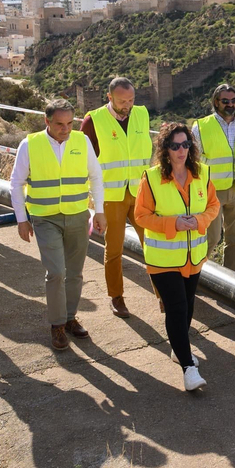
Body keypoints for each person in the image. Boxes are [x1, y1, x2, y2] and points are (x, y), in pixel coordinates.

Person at [13, 99, 106, 350]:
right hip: (45, 218)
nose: (65, 129)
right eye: (59, 124)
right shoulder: (29, 144)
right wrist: (22, 219)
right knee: (56, 272)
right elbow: (16, 183)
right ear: (47, 121)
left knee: (75, 273)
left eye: (69, 124)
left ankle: (69, 317)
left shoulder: (81, 141)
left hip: (77, 215)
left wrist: (99, 211)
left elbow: (96, 177)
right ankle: (57, 326)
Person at [135, 122, 220, 391]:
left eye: (186, 144)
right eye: (175, 146)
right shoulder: (150, 178)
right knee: (177, 308)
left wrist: (200, 221)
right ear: (165, 149)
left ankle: (178, 348)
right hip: (163, 260)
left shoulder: (203, 174)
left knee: (189, 306)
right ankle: (188, 368)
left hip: (193, 257)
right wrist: (173, 224)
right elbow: (141, 216)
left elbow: (213, 205)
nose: (181, 150)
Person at [81, 76, 150, 318]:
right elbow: (83, 161)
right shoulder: (93, 120)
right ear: (109, 97)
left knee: (153, 246)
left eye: (131, 99)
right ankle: (116, 296)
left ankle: (164, 295)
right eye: (122, 101)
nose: (127, 105)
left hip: (141, 193)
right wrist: (94, 205)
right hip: (111, 196)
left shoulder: (142, 114)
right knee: (114, 250)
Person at [191, 82, 235, 272]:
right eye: (225, 101)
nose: (230, 104)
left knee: (234, 238)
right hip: (212, 190)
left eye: (233, 101)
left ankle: (230, 279)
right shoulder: (201, 126)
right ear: (216, 102)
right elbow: (193, 159)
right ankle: (195, 274)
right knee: (211, 238)